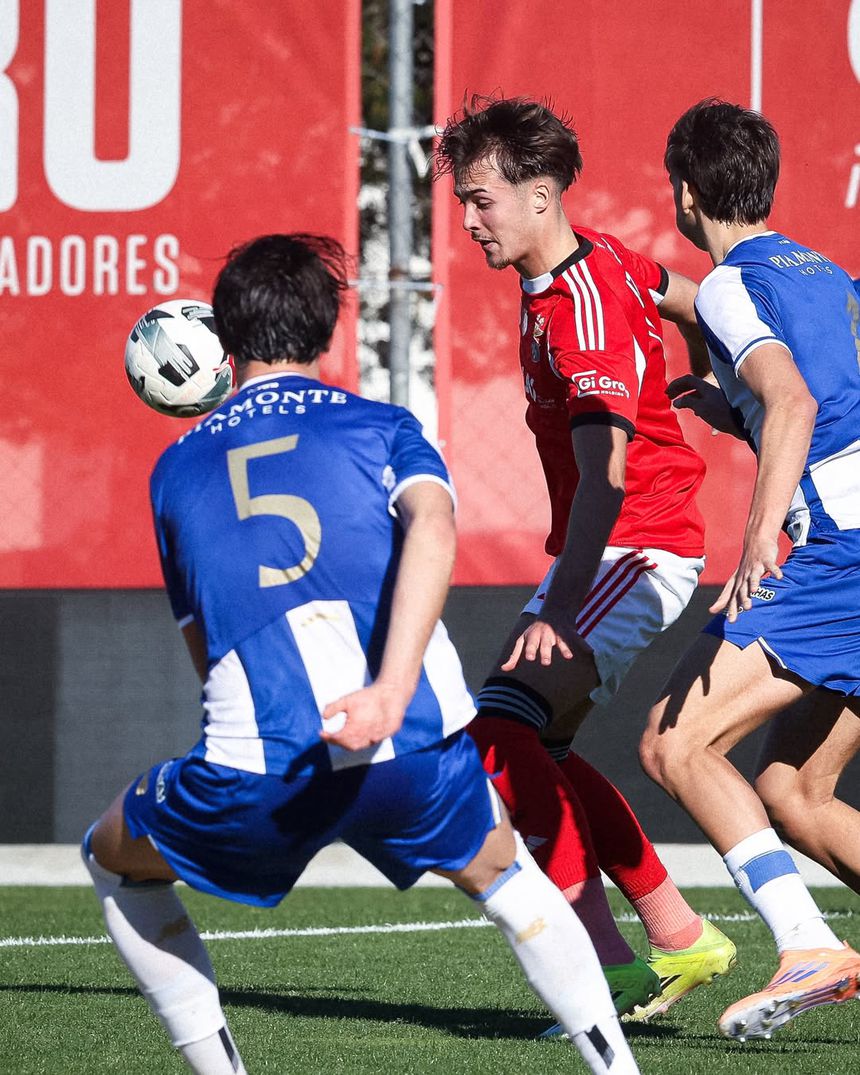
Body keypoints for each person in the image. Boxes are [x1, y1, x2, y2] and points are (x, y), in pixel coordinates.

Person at [82, 233, 641, 1074]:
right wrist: (388, 688)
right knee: (508, 874)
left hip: (264, 770)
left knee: (110, 853)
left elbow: (200, 635)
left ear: (224, 338)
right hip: (412, 749)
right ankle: (617, 1067)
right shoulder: (384, 425)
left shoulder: (175, 469)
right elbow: (436, 524)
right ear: (329, 332)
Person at [434, 94, 736, 1028]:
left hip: (634, 543)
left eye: (481, 198)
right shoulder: (605, 258)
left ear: (539, 192)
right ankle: (679, 933)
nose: (469, 218)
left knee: (497, 737)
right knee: (538, 744)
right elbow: (688, 296)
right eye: (463, 199)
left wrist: (557, 607)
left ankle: (604, 959)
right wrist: (709, 368)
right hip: (624, 543)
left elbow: (604, 480)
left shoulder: (581, 314)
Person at [639, 97, 860, 1042]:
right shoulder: (834, 276)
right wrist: (734, 411)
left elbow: (800, 404)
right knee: (794, 794)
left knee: (671, 743)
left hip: (838, 557)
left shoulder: (735, 283)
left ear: (687, 193)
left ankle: (811, 946)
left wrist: (759, 536)